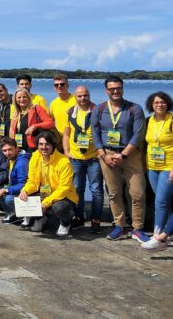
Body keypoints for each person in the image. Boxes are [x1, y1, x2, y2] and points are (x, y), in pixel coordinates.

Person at [91, 75, 148, 242]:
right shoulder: (99, 109)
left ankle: (138, 228)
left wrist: (123, 155)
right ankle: (119, 226)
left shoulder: (134, 108)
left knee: (137, 193)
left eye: (118, 88)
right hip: (107, 155)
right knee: (114, 193)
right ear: (106, 90)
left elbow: (138, 134)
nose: (115, 91)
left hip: (130, 155)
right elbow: (95, 133)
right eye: (111, 89)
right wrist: (103, 155)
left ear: (122, 88)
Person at [143, 91, 173, 235]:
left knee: (161, 202)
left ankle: (158, 236)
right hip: (152, 167)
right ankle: (171, 233)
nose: (160, 105)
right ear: (151, 105)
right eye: (156, 102)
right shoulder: (148, 121)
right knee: (162, 201)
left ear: (168, 104)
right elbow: (146, 144)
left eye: (163, 102)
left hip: (170, 167)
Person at [19, 132, 78, 236]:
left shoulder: (64, 161)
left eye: (47, 144)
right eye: (41, 144)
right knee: (25, 197)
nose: (43, 147)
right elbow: (32, 181)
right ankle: (41, 218)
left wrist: (46, 203)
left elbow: (64, 188)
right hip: (45, 193)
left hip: (64, 197)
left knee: (59, 207)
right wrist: (25, 190)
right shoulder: (35, 157)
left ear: (53, 145)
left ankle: (65, 223)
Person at [62, 85, 103, 233]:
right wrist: (66, 151)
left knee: (96, 190)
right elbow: (66, 134)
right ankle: (78, 218)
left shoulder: (97, 111)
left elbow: (103, 132)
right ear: (75, 97)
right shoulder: (71, 112)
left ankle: (96, 219)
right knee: (77, 189)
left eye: (85, 95)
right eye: (79, 96)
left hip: (94, 158)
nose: (83, 98)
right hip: (76, 158)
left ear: (89, 95)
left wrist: (102, 152)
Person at [0, 137, 29, 225]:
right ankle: (13, 213)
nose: (7, 153)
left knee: (9, 199)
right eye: (4, 150)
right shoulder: (11, 159)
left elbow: (23, 184)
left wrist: (5, 190)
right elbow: (4, 172)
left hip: (26, 192)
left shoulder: (22, 162)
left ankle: (25, 215)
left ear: (17, 148)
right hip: (13, 187)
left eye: (10, 149)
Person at [9, 88, 54, 154]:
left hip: (34, 147)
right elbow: (12, 130)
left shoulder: (36, 108)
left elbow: (50, 123)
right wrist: (13, 145)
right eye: (19, 97)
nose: (22, 99)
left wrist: (35, 126)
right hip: (20, 147)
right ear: (15, 99)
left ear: (29, 98)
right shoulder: (16, 112)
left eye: (24, 97)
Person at [49, 74, 76, 148]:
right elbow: (50, 123)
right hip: (60, 141)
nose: (59, 86)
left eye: (62, 84)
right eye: (56, 85)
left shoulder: (77, 99)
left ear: (67, 85)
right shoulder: (53, 103)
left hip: (75, 140)